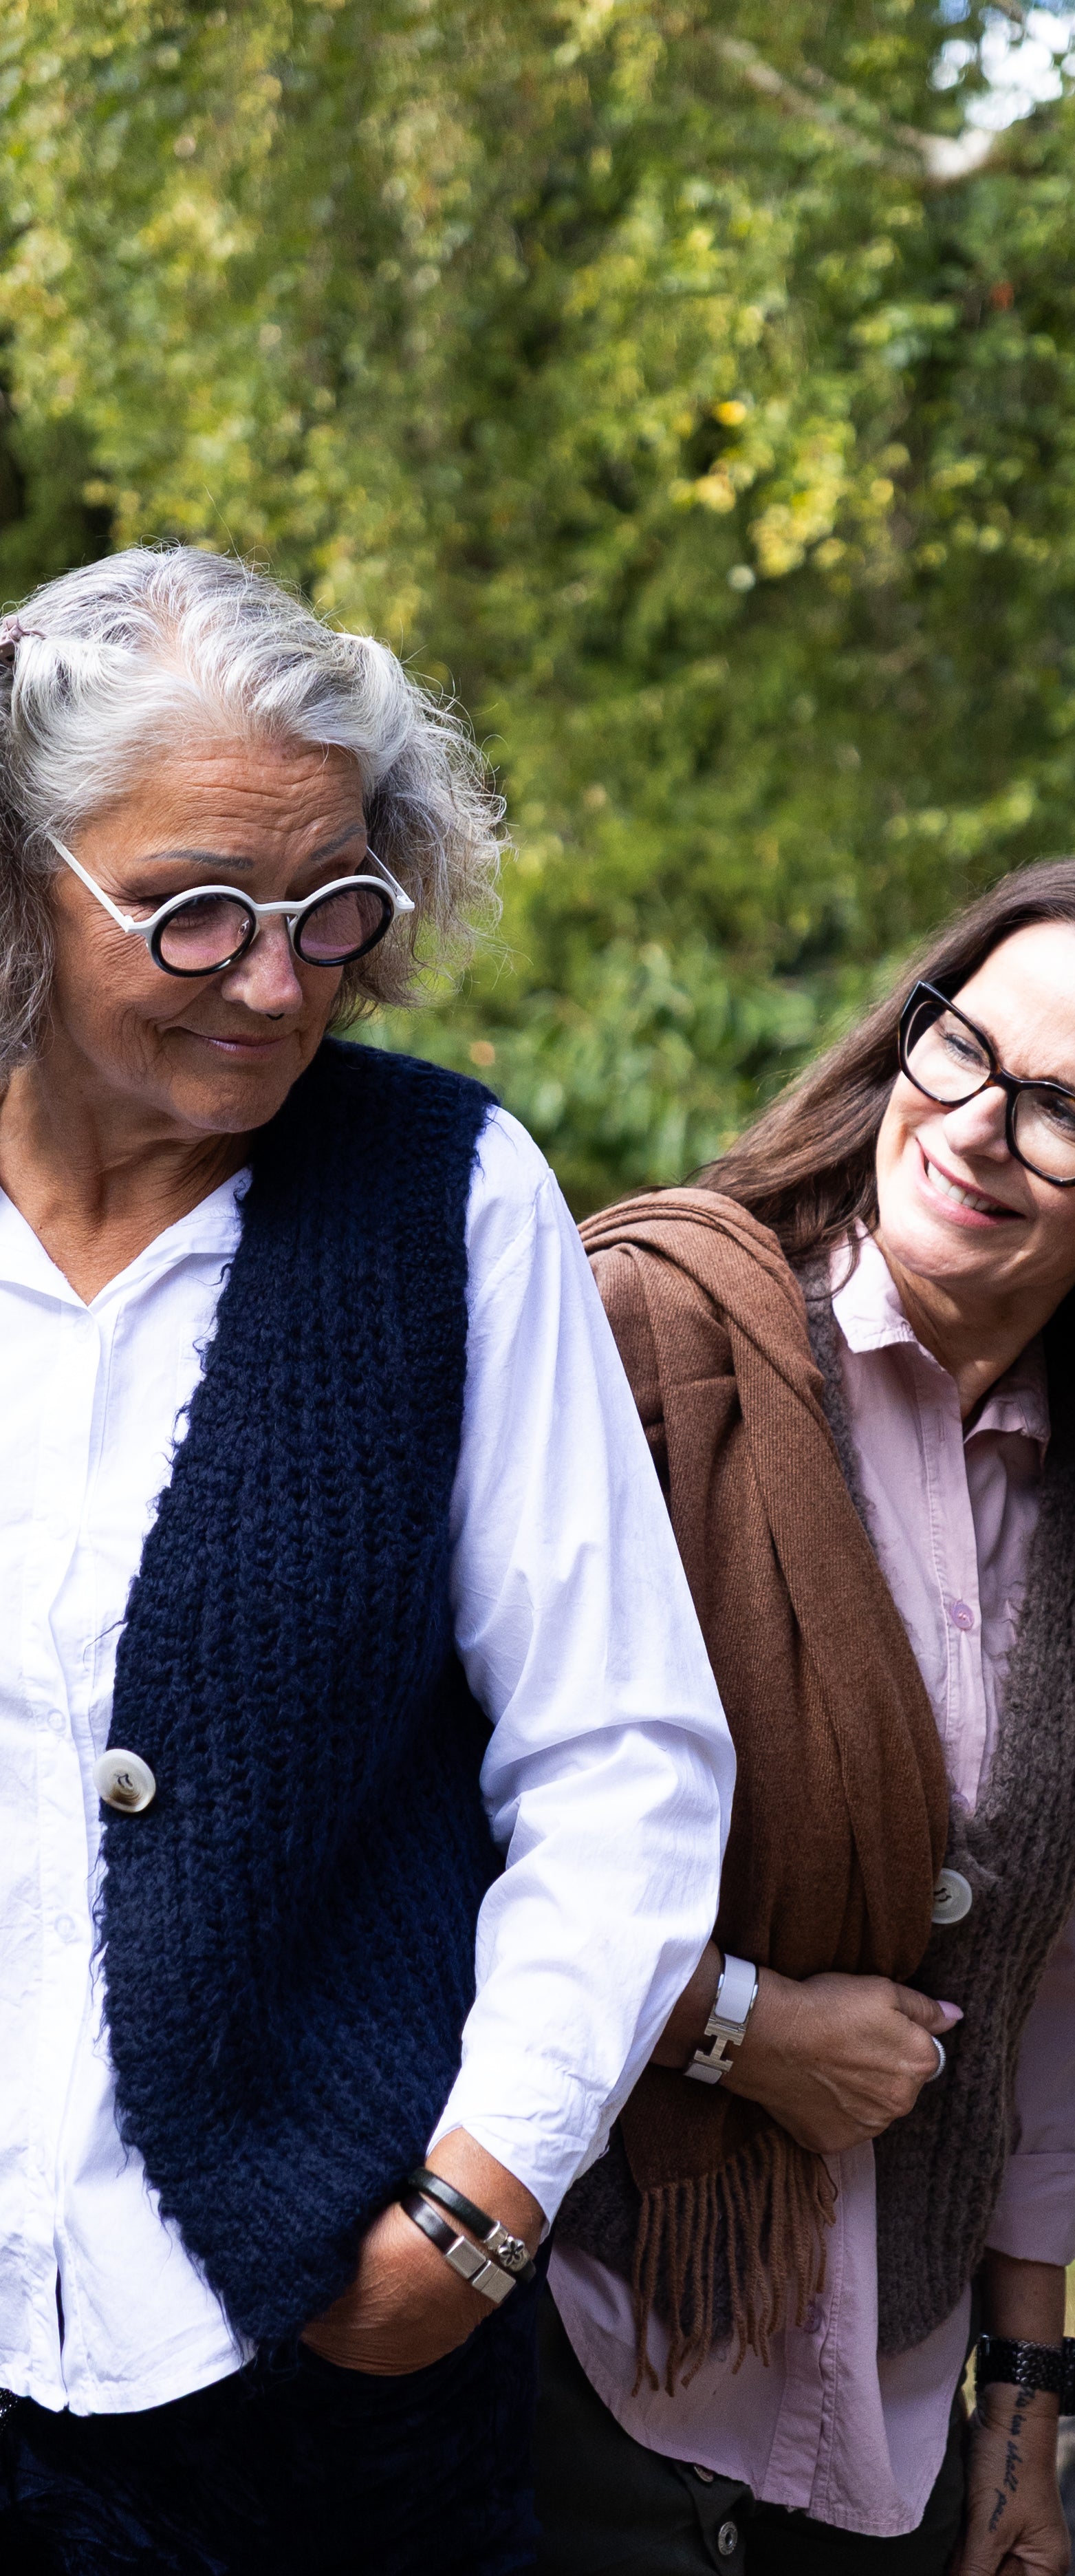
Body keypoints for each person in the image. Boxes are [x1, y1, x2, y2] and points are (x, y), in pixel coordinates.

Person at [0, 547, 733, 2576]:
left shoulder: (446, 1199)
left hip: (313, 2375)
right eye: (196, 911)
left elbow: (622, 1752)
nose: (278, 982)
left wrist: (484, 2203)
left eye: (334, 906)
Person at [534, 854, 1075, 2575]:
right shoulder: (654, 1343)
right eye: (959, 1048)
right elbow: (434, 1831)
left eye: (1065, 1113)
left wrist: (1023, 2410)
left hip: (893, 2411)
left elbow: (1045, 1973)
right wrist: (739, 2027)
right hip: (585, 2349)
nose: (974, 1127)